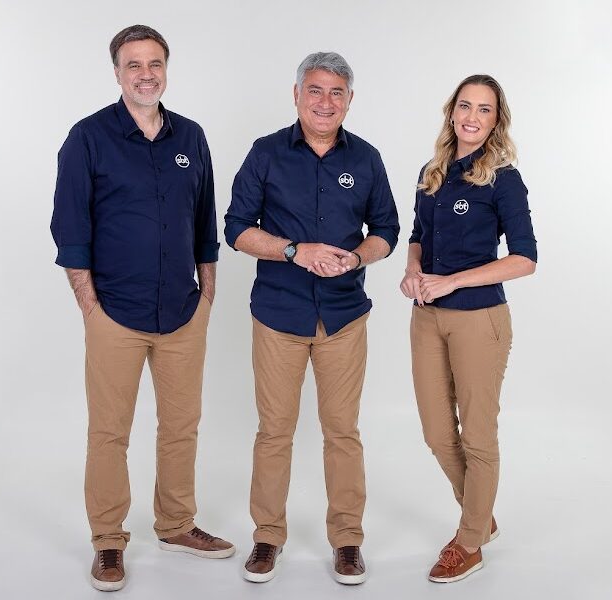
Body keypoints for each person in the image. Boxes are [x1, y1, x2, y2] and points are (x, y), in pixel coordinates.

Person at [50, 24, 233, 593]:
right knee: (110, 432)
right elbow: (70, 229)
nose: (146, 74)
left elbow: (204, 223)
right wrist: (90, 307)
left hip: (182, 311)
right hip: (114, 314)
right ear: (117, 72)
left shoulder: (191, 137)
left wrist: (206, 295)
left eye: (155, 63)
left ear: (165, 69)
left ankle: (176, 525)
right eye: (134, 64)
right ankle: (108, 540)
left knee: (181, 426)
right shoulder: (87, 138)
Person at [224, 51, 399, 585]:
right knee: (274, 431)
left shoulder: (366, 158)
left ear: (350, 100)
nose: (325, 102)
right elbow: (236, 228)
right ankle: (267, 536)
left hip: (344, 318)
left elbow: (387, 232)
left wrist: (357, 258)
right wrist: (294, 251)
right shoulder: (266, 153)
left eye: (336, 92)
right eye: (316, 90)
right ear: (297, 94)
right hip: (278, 316)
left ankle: (347, 541)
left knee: (342, 431)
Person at [399, 74, 537, 583]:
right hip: (427, 317)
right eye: (464, 105)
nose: (471, 117)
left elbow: (525, 259)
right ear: (451, 111)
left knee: (477, 434)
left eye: (484, 109)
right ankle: (482, 515)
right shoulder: (431, 172)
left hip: (479, 319)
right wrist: (413, 271)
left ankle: (470, 540)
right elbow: (418, 235)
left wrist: (452, 281)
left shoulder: (503, 178)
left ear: (496, 120)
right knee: (438, 433)